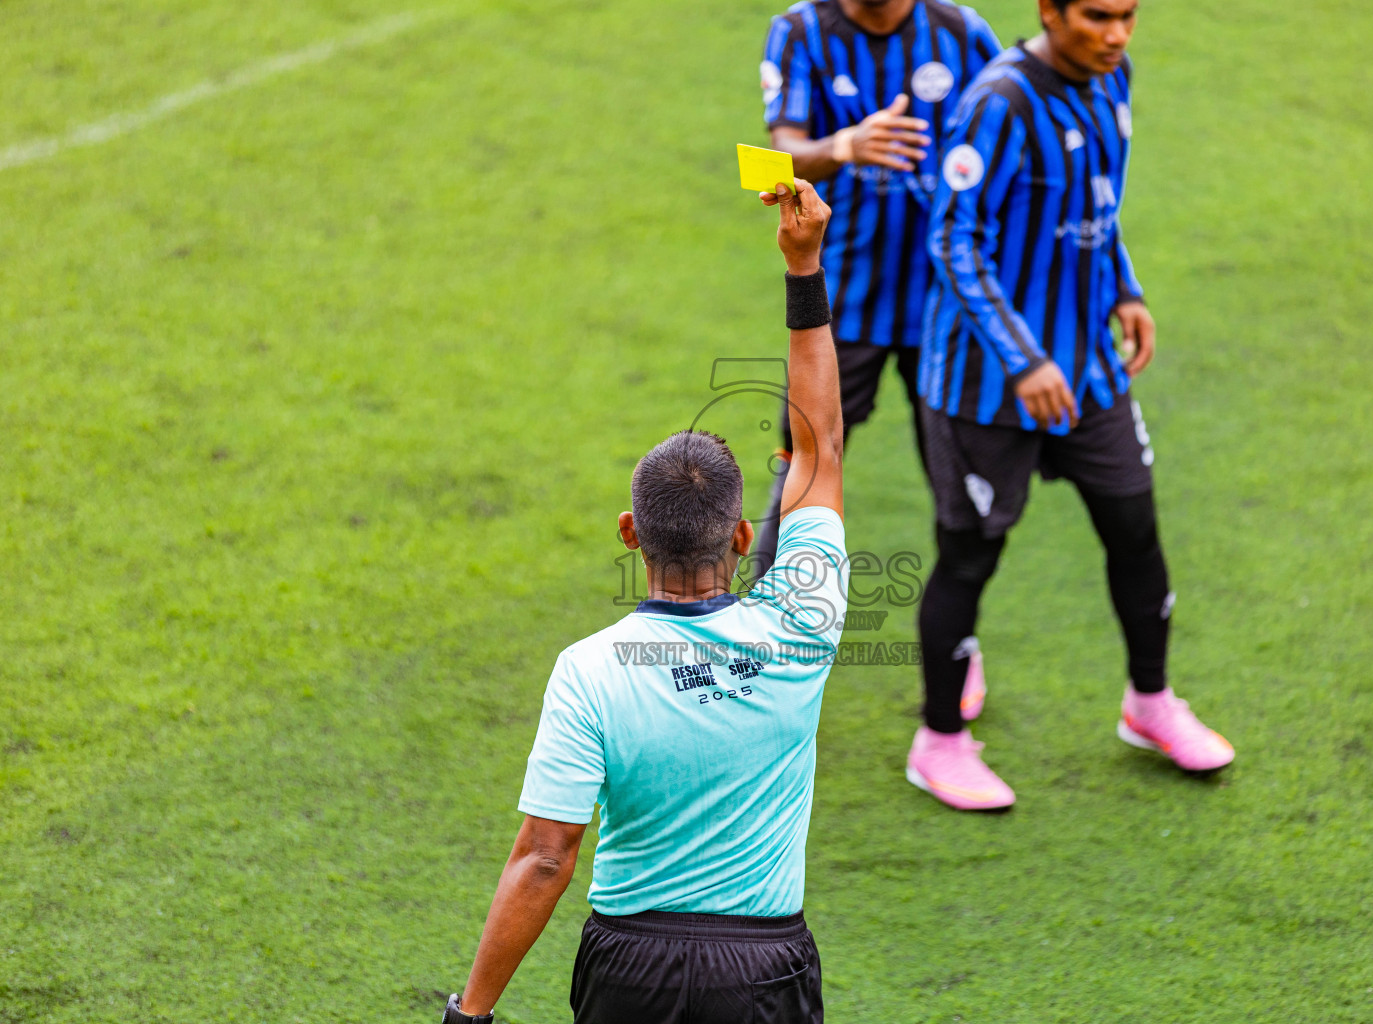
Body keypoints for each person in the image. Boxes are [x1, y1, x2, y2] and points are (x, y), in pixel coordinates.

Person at [440, 181, 847, 1024]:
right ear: (741, 537)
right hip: (763, 968)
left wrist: (471, 1013)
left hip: (631, 965)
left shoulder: (588, 672)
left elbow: (545, 860)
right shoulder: (802, 623)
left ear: (631, 532)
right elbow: (822, 445)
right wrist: (802, 269)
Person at [904, 0, 1235, 812]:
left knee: (1136, 532)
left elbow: (1095, 201)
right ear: (1049, 11)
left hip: (1087, 372)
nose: (1116, 33)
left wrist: (1124, 286)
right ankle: (939, 741)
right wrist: (1022, 357)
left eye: (1128, 15)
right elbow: (954, 238)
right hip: (988, 385)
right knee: (969, 557)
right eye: (1097, 15)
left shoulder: (1113, 75)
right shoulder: (999, 101)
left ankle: (1149, 704)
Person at [750, 0, 1002, 605]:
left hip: (948, 309)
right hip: (844, 307)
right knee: (803, 464)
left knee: (961, 490)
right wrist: (844, 146)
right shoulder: (799, 30)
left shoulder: (963, 33)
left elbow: (1006, 143)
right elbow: (771, 164)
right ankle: (752, 637)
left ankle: (955, 645)